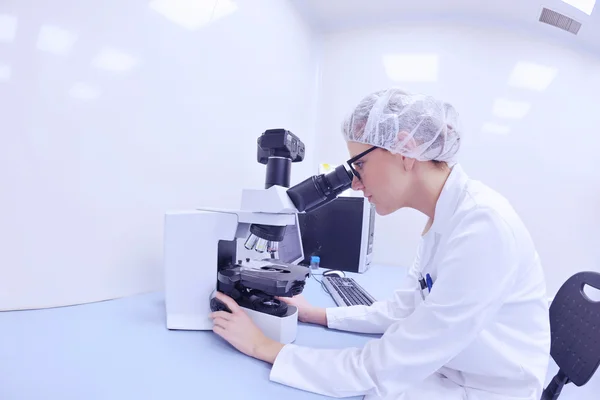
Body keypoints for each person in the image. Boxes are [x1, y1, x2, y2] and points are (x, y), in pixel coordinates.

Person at [210, 88, 551, 400]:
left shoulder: (482, 227)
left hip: (488, 388)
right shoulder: (444, 218)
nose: (355, 184)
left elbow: (385, 365)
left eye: (360, 165)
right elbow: (403, 311)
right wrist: (318, 314)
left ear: (405, 150)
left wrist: (266, 348)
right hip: (453, 367)